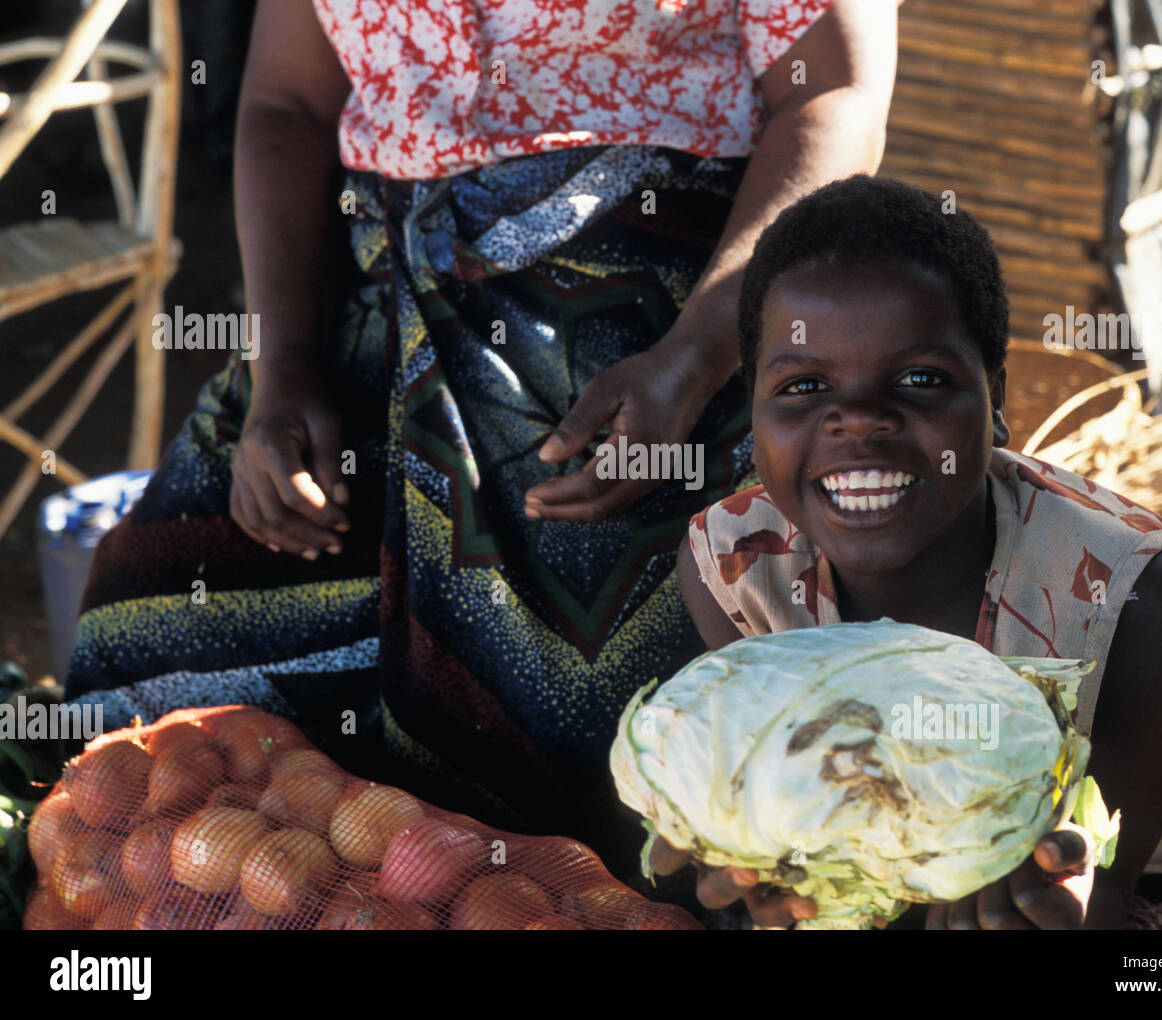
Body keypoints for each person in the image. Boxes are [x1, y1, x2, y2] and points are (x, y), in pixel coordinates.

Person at [65, 0, 902, 891]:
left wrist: (691, 361)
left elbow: (835, 94)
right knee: (153, 639)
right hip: (368, 303)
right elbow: (289, 105)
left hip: (663, 329)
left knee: (588, 729)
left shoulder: (684, 353)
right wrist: (284, 371)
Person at [654, 174, 1162, 929]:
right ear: (754, 411)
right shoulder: (732, 568)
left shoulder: (1138, 594)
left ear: (996, 405)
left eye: (921, 379)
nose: (858, 420)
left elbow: (1099, 889)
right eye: (803, 385)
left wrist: (1056, 890)